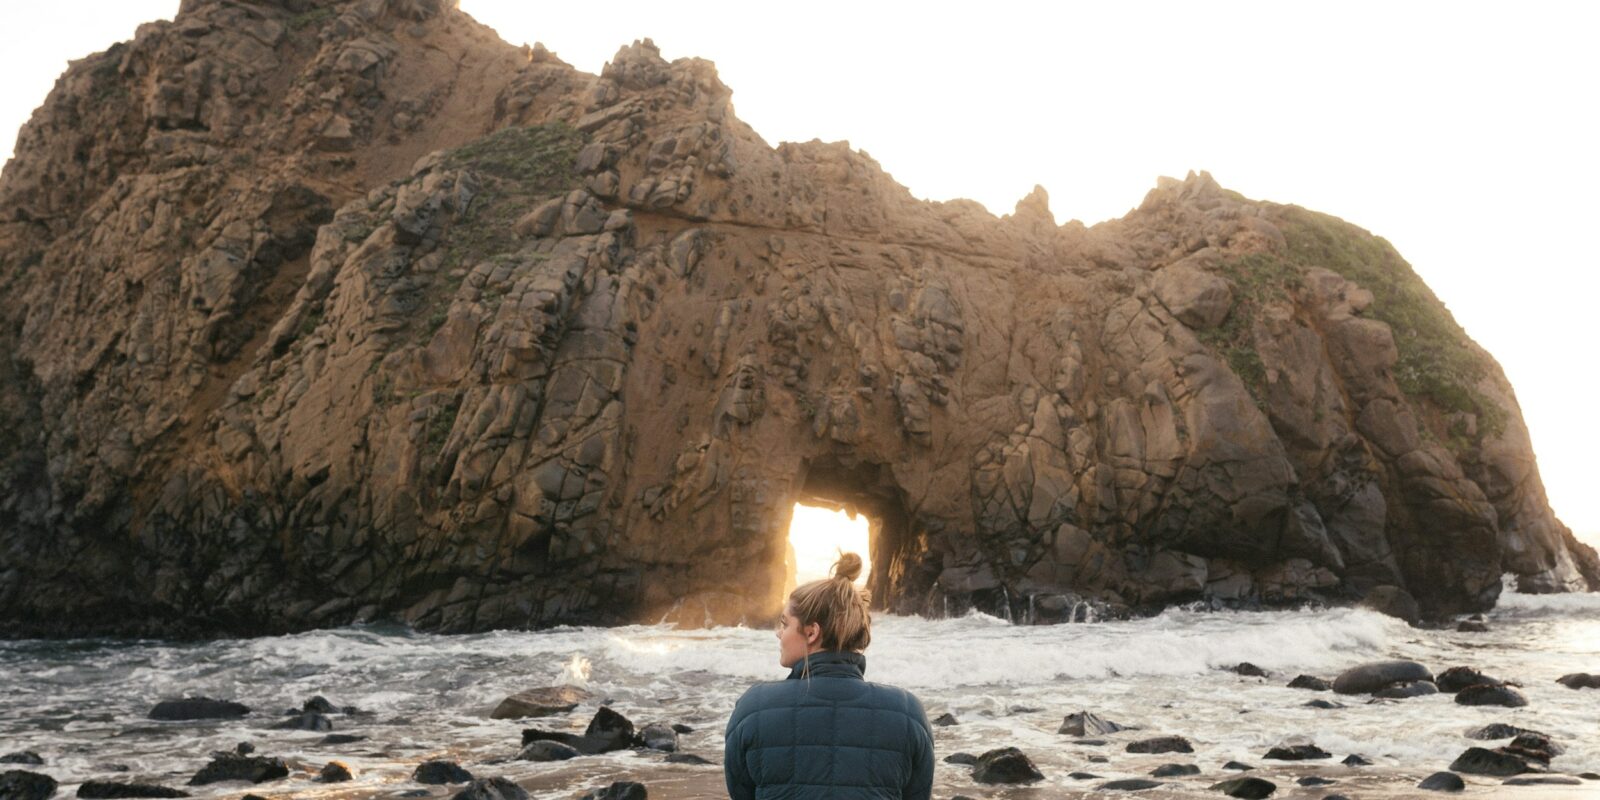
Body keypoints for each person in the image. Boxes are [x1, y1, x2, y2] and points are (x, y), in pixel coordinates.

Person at [723, 552, 934, 800]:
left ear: (811, 632)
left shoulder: (754, 707)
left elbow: (741, 793)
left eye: (784, 623)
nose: (778, 633)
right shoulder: (907, 712)